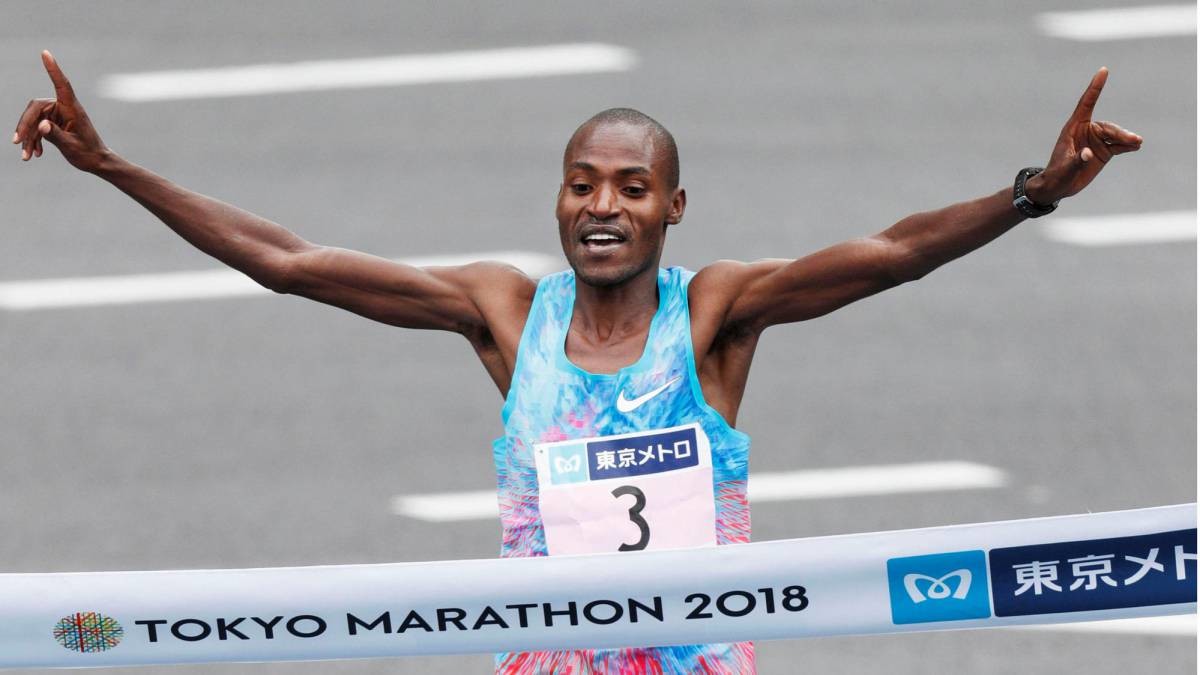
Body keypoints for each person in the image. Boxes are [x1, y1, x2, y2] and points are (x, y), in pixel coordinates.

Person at [15, 49, 1141, 674]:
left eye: (632, 188)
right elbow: (291, 263)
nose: (603, 205)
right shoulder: (505, 314)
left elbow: (891, 254)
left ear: (673, 208)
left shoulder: (715, 313)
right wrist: (115, 168)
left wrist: (1030, 194)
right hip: (546, 665)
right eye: (581, 183)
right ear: (558, 198)